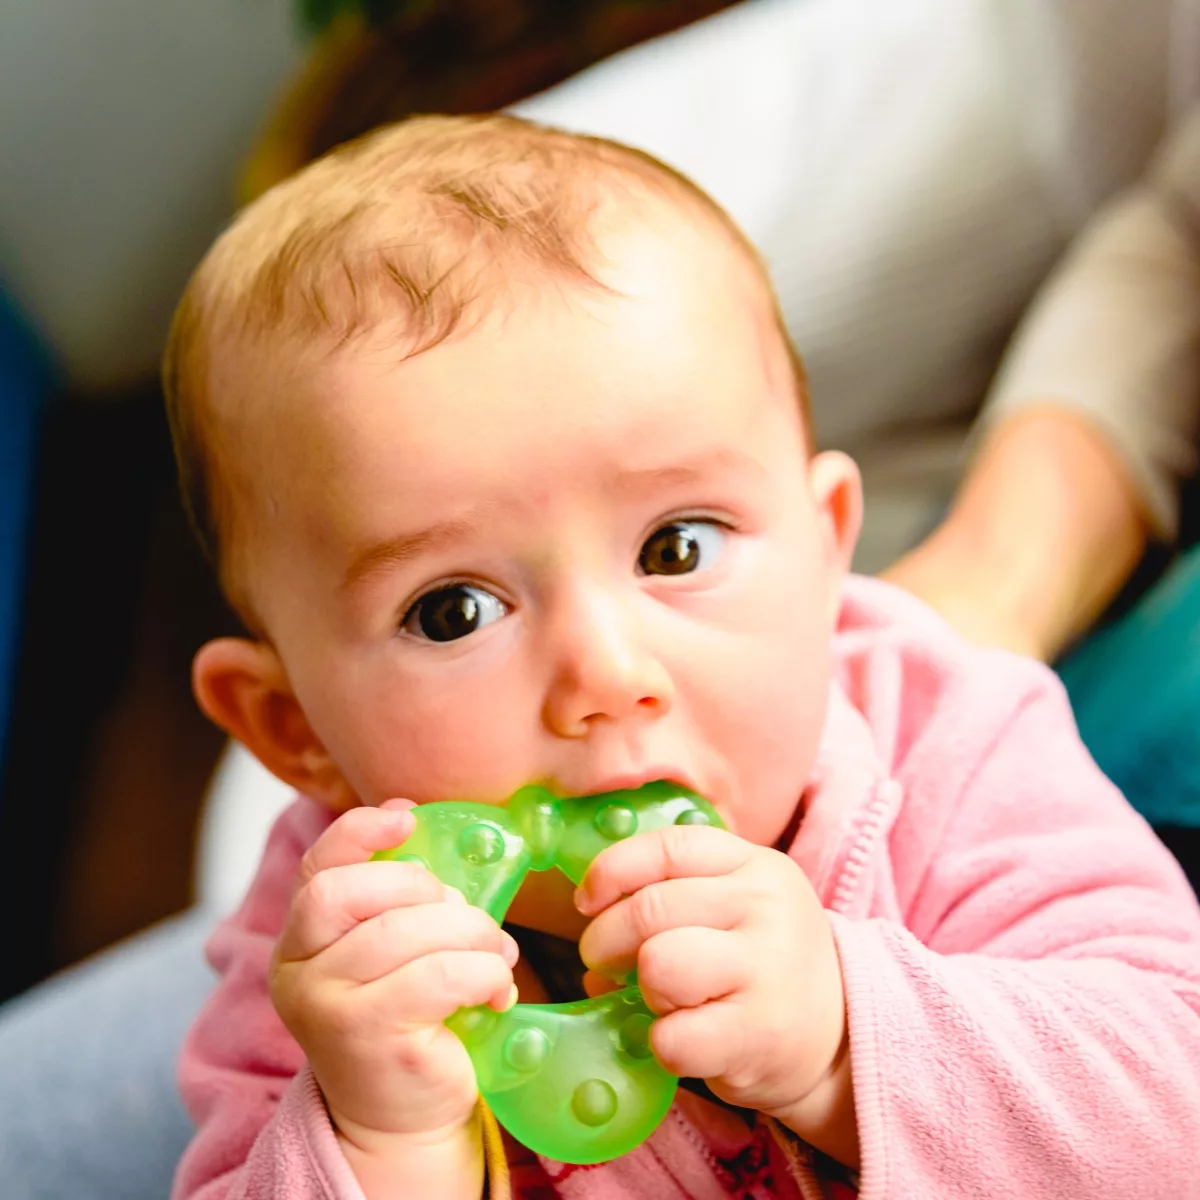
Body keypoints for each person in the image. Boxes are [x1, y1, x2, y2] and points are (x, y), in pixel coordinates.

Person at [164, 112, 1200, 1200]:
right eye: (453, 611)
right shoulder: (336, 954)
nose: (606, 675)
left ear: (825, 547)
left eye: (676, 547)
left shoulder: (948, 748)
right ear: (294, 731)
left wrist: (846, 1037)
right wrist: (379, 1148)